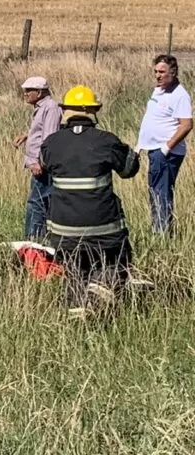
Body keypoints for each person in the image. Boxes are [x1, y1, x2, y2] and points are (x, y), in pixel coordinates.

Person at [41, 85, 140, 318]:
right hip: (103, 227)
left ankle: (77, 308)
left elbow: (43, 164)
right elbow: (129, 169)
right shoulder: (106, 140)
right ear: (92, 112)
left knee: (74, 268)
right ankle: (103, 285)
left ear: (65, 111)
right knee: (119, 258)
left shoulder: (51, 143)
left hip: (62, 228)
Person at [136, 54, 192, 234]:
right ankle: (156, 229)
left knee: (162, 194)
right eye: (156, 72)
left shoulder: (179, 95)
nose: (158, 75)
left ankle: (162, 234)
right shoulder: (158, 90)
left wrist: (166, 148)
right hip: (152, 150)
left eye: (162, 72)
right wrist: (139, 145)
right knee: (154, 193)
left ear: (173, 72)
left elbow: (186, 124)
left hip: (167, 153)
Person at [12, 76, 60, 240]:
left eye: (28, 91)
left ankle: (34, 240)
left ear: (39, 92)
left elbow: (49, 139)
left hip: (43, 168)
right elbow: (43, 131)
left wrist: (39, 162)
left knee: (37, 203)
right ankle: (37, 239)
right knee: (39, 202)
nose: (25, 94)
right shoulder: (43, 107)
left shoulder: (50, 108)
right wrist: (28, 135)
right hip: (40, 165)